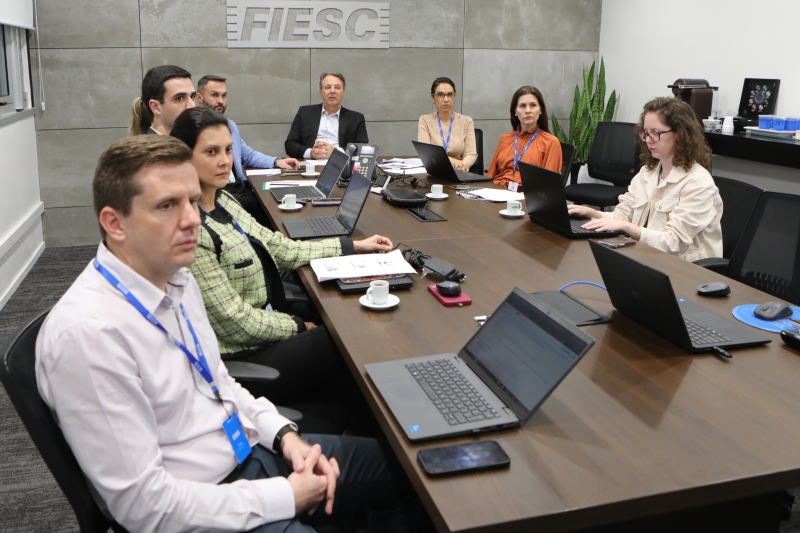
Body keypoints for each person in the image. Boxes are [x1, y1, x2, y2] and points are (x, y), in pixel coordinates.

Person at [35, 134, 431, 533]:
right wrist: (285, 497)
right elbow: (145, 508)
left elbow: (221, 383)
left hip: (250, 452)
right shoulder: (88, 336)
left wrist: (286, 438)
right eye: (167, 206)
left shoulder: (177, 278)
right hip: (201, 505)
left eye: (192, 200)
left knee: (418, 475)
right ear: (114, 223)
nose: (192, 219)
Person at [171, 107, 392, 403]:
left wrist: (351, 246)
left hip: (266, 318)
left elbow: (280, 248)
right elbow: (235, 322)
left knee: (345, 317)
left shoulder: (222, 200)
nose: (225, 161)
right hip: (242, 353)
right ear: (185, 157)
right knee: (350, 338)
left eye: (227, 149)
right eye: (211, 152)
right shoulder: (191, 230)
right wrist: (297, 326)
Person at [567, 97, 723, 262]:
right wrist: (594, 214)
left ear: (680, 133)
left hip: (684, 268)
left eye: (656, 133)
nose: (649, 140)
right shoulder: (647, 173)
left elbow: (673, 243)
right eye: (646, 133)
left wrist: (627, 227)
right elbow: (623, 216)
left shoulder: (698, 183)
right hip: (646, 257)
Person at [196, 74, 300, 224]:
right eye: (214, 95)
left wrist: (277, 161)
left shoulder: (230, 125)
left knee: (276, 202)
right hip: (216, 191)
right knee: (269, 214)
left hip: (238, 186)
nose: (220, 101)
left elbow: (247, 155)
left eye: (224, 96)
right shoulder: (193, 128)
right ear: (199, 97)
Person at [487, 86, 562, 190]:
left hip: (529, 195)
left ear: (540, 110)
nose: (528, 110)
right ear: (515, 111)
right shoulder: (505, 138)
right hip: (499, 189)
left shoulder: (551, 142)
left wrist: (526, 196)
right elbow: (491, 175)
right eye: (522, 106)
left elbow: (548, 186)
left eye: (533, 105)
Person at [284, 72, 368, 160]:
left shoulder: (356, 118)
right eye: (328, 87)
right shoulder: (305, 113)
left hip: (341, 165)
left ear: (344, 92)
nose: (332, 91)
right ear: (320, 92)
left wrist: (336, 152)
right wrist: (311, 152)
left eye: (337, 87)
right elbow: (290, 145)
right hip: (310, 166)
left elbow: (362, 147)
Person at [417, 77, 477, 171]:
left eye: (450, 94)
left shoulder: (466, 121)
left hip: (460, 172)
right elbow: (426, 154)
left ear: (454, 97)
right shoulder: (425, 120)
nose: (446, 99)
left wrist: (462, 165)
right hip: (434, 172)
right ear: (433, 98)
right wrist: (452, 161)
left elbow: (471, 153)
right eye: (440, 95)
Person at [130, 65, 196, 136]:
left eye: (192, 97)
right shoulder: (148, 147)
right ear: (155, 107)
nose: (192, 106)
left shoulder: (191, 144)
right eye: (179, 98)